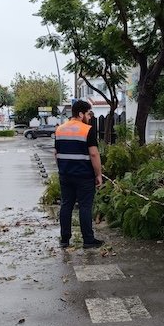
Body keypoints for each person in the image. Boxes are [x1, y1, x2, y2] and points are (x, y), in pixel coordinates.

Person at [55, 100, 104, 249]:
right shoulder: (87, 130)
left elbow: (56, 153)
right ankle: (88, 240)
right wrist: (99, 174)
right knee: (85, 207)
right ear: (81, 114)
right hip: (84, 175)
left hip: (65, 175)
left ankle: (64, 239)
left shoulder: (60, 129)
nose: (90, 117)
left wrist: (62, 169)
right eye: (88, 114)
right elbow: (94, 154)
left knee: (66, 205)